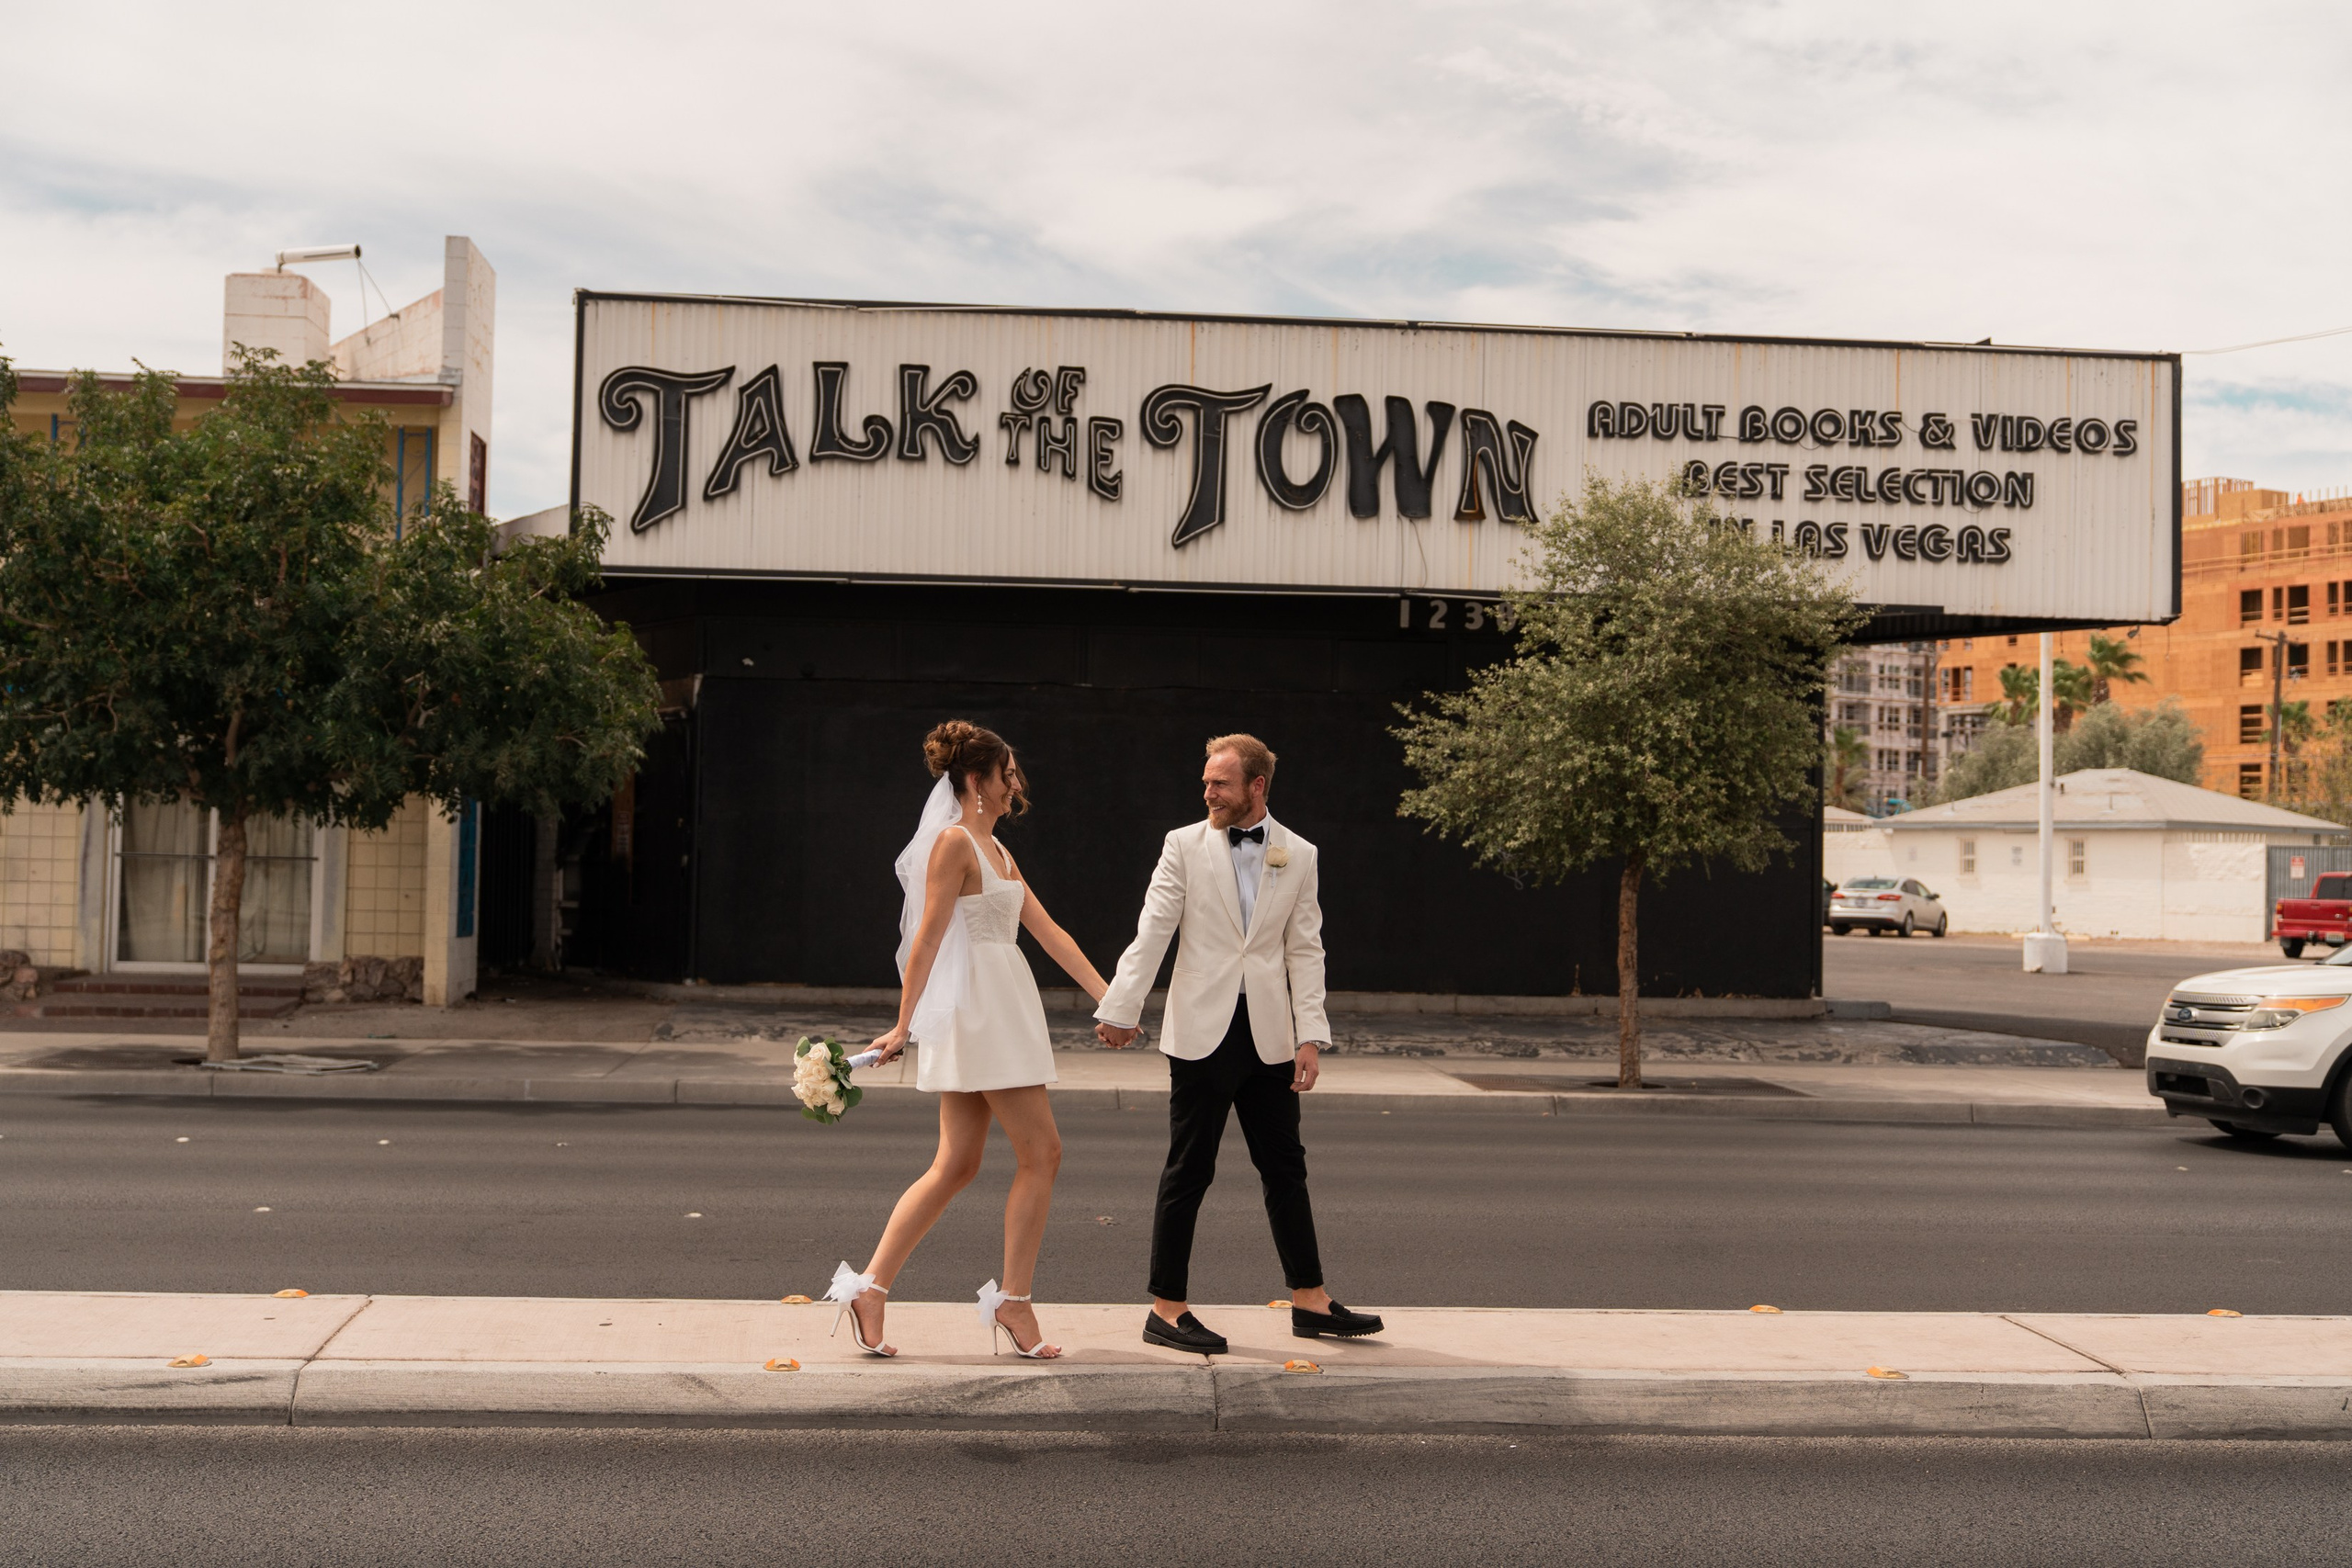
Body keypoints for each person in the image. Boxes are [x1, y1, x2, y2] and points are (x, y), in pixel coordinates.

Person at [825, 721, 1110, 1359]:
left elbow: (1049, 930)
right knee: (1043, 1152)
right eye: (1007, 773)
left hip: (999, 1006)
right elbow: (925, 939)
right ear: (977, 779)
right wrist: (903, 1024)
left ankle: (870, 1288)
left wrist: (1110, 994)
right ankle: (1015, 1300)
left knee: (956, 1164)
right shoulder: (955, 844)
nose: (1016, 784)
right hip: (982, 1012)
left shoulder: (999, 851)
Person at [1094, 733, 1384, 1353]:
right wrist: (1122, 1007)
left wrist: (1310, 1035)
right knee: (1190, 1169)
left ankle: (1309, 1298)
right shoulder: (1183, 846)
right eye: (1206, 782)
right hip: (1202, 1033)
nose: (1208, 791)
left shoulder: (1299, 853)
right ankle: (1167, 1307)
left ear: (1257, 785)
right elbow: (1154, 931)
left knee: (1286, 1168)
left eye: (1220, 783)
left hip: (1271, 1038)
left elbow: (1305, 948)